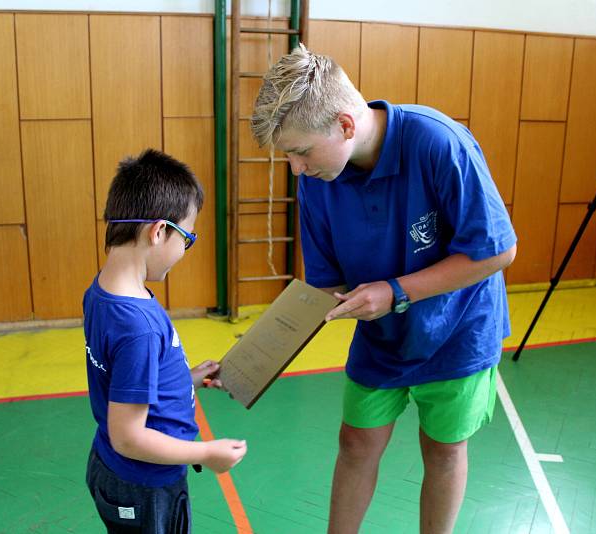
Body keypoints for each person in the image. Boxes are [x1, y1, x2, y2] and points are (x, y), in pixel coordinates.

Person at [251, 45, 517, 534]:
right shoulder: (317, 177)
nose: (295, 168)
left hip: (459, 331)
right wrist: (254, 355)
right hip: (383, 337)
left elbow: (497, 250)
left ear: (346, 126)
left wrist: (396, 291)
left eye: (301, 151)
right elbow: (326, 284)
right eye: (287, 155)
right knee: (356, 442)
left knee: (444, 448)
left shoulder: (439, 143)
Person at [84, 148, 247, 533]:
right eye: (187, 238)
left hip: (116, 470)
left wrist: (181, 380)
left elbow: (121, 376)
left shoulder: (103, 291)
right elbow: (128, 437)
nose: (184, 252)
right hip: (144, 485)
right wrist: (206, 452)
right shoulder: (138, 325)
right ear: (159, 232)